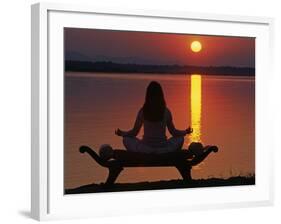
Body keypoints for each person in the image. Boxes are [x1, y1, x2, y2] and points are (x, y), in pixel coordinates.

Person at [115, 81, 193, 154]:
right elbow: (174, 132)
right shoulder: (166, 111)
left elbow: (134, 133)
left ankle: (148, 153)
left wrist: (122, 133)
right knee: (180, 138)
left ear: (148, 96)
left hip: (146, 149)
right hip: (163, 148)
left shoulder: (143, 111)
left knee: (126, 139)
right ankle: (162, 153)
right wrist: (185, 132)